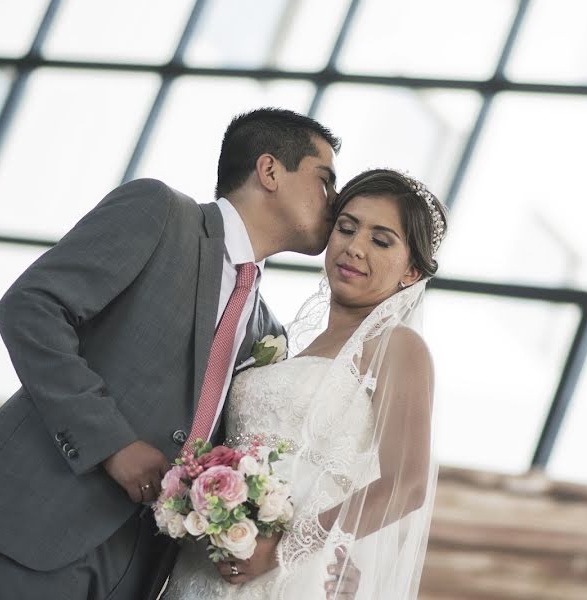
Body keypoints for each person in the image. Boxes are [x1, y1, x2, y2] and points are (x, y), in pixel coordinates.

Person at [0, 107, 362, 599]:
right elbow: (31, 308)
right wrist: (113, 444)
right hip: (47, 520)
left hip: (144, 563)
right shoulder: (160, 212)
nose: (335, 202)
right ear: (269, 171)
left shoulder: (267, 330)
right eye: (325, 180)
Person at [161, 168, 448, 599]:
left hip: (291, 573)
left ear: (411, 271)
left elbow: (406, 485)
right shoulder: (286, 342)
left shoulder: (397, 345)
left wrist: (284, 550)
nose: (354, 247)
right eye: (346, 228)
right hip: (211, 562)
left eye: (381, 240)